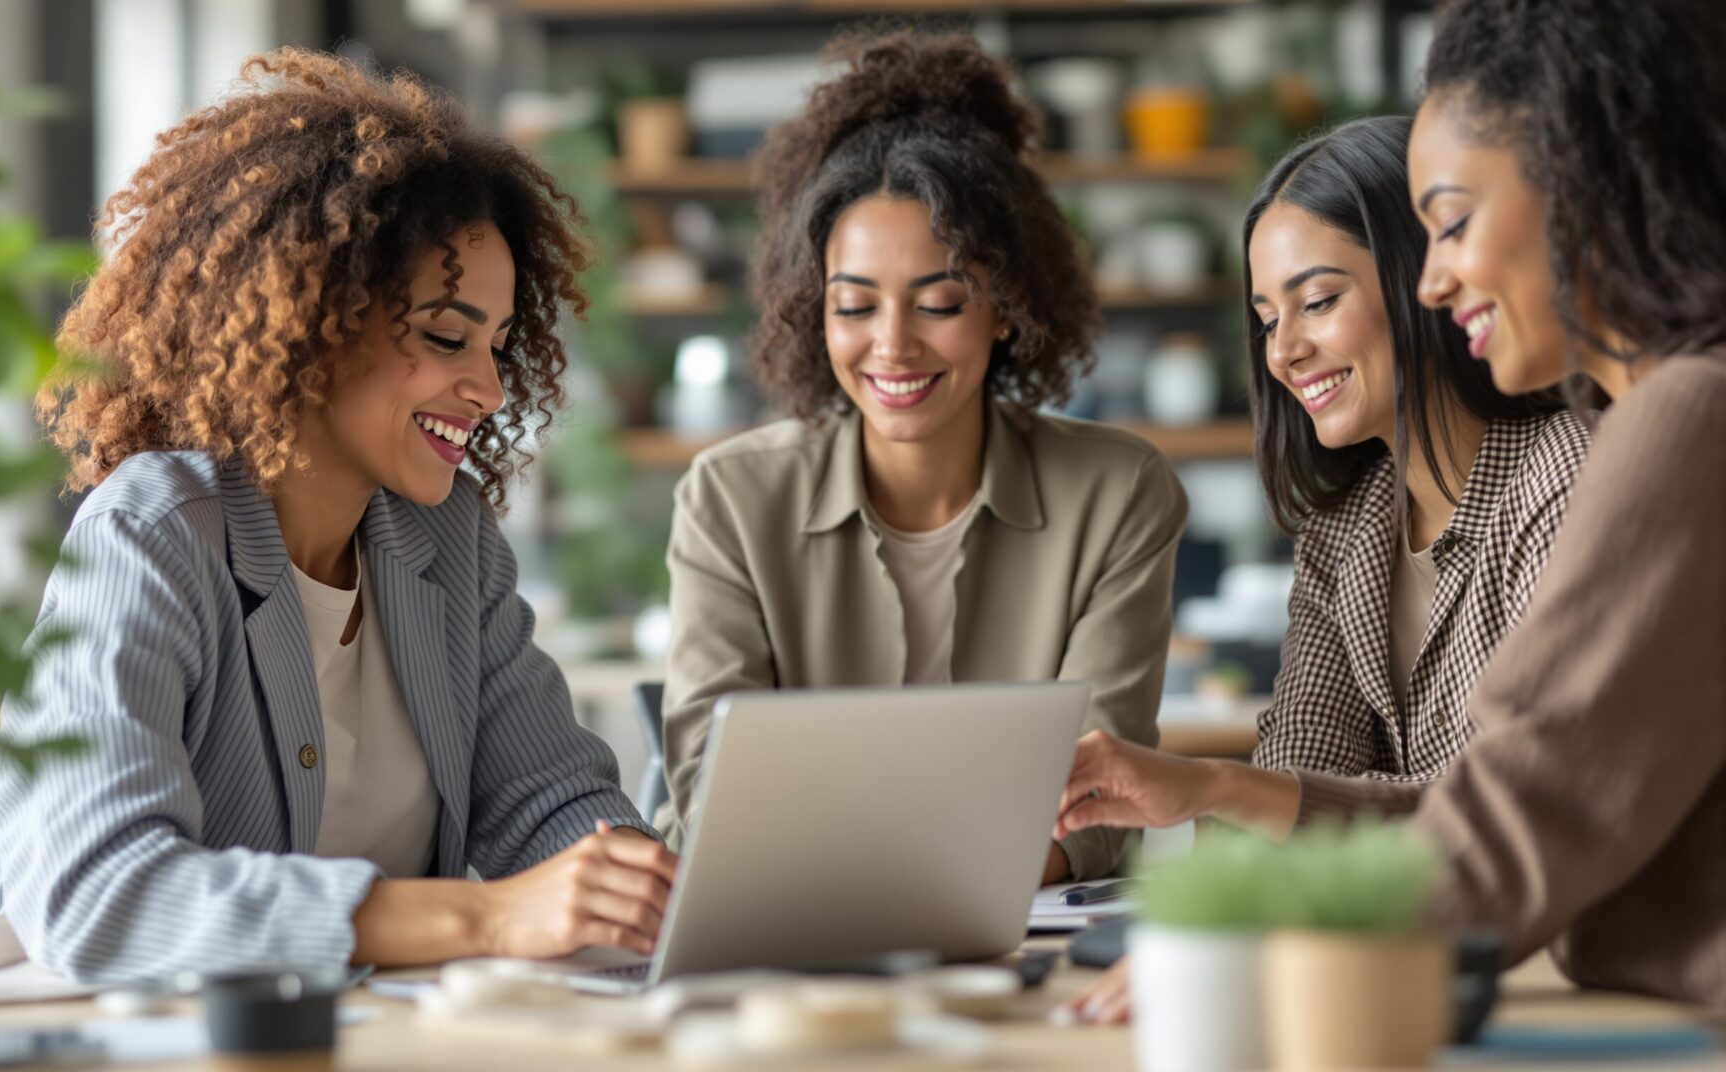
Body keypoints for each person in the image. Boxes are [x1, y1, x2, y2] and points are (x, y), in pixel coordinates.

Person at [0, 50, 677, 984]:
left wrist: (642, 888)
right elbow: (104, 897)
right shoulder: (155, 532)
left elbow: (549, 804)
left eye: (497, 344)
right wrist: (483, 916)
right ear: (313, 322)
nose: (490, 387)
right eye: (448, 336)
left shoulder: (448, 546)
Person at [1061, 0, 1726, 1012]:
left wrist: (1254, 950)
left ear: (1580, 179)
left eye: (1453, 223)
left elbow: (1523, 807)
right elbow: (1500, 799)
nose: (1439, 276)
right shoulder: (1360, 525)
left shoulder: (1682, 414)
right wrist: (1224, 797)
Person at [1051, 115, 1588, 1025]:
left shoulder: (1565, 480)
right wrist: (1226, 923)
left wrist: (1222, 789)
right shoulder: (1348, 531)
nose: (1284, 350)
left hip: (1568, 987)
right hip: (1408, 989)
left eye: (1318, 299)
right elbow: (1302, 771)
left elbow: (1509, 819)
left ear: (1428, 282)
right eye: (1266, 317)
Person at [657, 28, 1187, 884]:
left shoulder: (1118, 493)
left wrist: (936, 887)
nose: (892, 346)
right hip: (780, 924)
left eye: (939, 302)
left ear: (1006, 307)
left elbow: (1098, 802)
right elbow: (713, 794)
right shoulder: (731, 498)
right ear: (813, 313)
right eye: (854, 307)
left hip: (1012, 935)